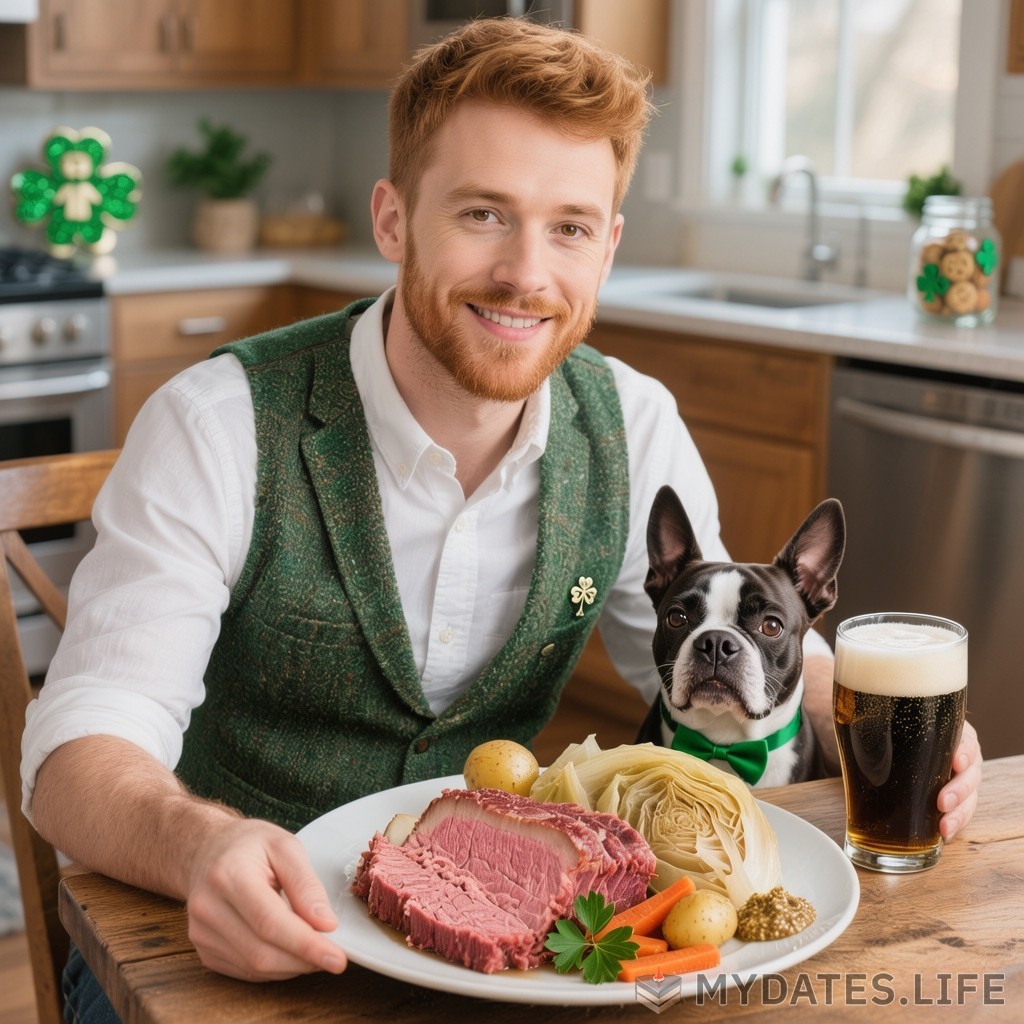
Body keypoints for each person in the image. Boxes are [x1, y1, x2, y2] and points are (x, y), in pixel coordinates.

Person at [22, 16, 981, 1010]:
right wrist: (202, 847)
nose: (527, 272)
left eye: (568, 226)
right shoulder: (216, 423)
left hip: (503, 952)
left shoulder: (632, 425)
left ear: (606, 248)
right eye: (482, 213)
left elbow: (717, 628)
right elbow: (79, 754)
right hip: (223, 940)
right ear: (393, 220)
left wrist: (874, 719)